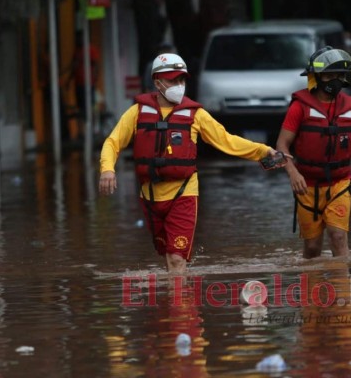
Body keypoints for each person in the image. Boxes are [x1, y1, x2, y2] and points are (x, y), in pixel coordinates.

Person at [99, 53, 288, 274]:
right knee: (167, 256)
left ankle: (180, 307)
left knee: (176, 258)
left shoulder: (196, 115)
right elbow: (113, 142)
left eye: (182, 80)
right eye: (172, 80)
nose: (179, 85)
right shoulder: (137, 113)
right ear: (157, 82)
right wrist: (107, 170)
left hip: (183, 194)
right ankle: (175, 301)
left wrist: (263, 151)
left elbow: (227, 141)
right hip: (149, 196)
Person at [276, 46, 351, 259]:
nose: (335, 80)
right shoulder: (299, 107)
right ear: (317, 77)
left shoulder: (350, 107)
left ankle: (343, 292)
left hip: (340, 184)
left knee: (338, 238)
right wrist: (293, 173)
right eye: (329, 75)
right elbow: (282, 145)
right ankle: (312, 290)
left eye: (340, 75)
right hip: (307, 187)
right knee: (312, 249)